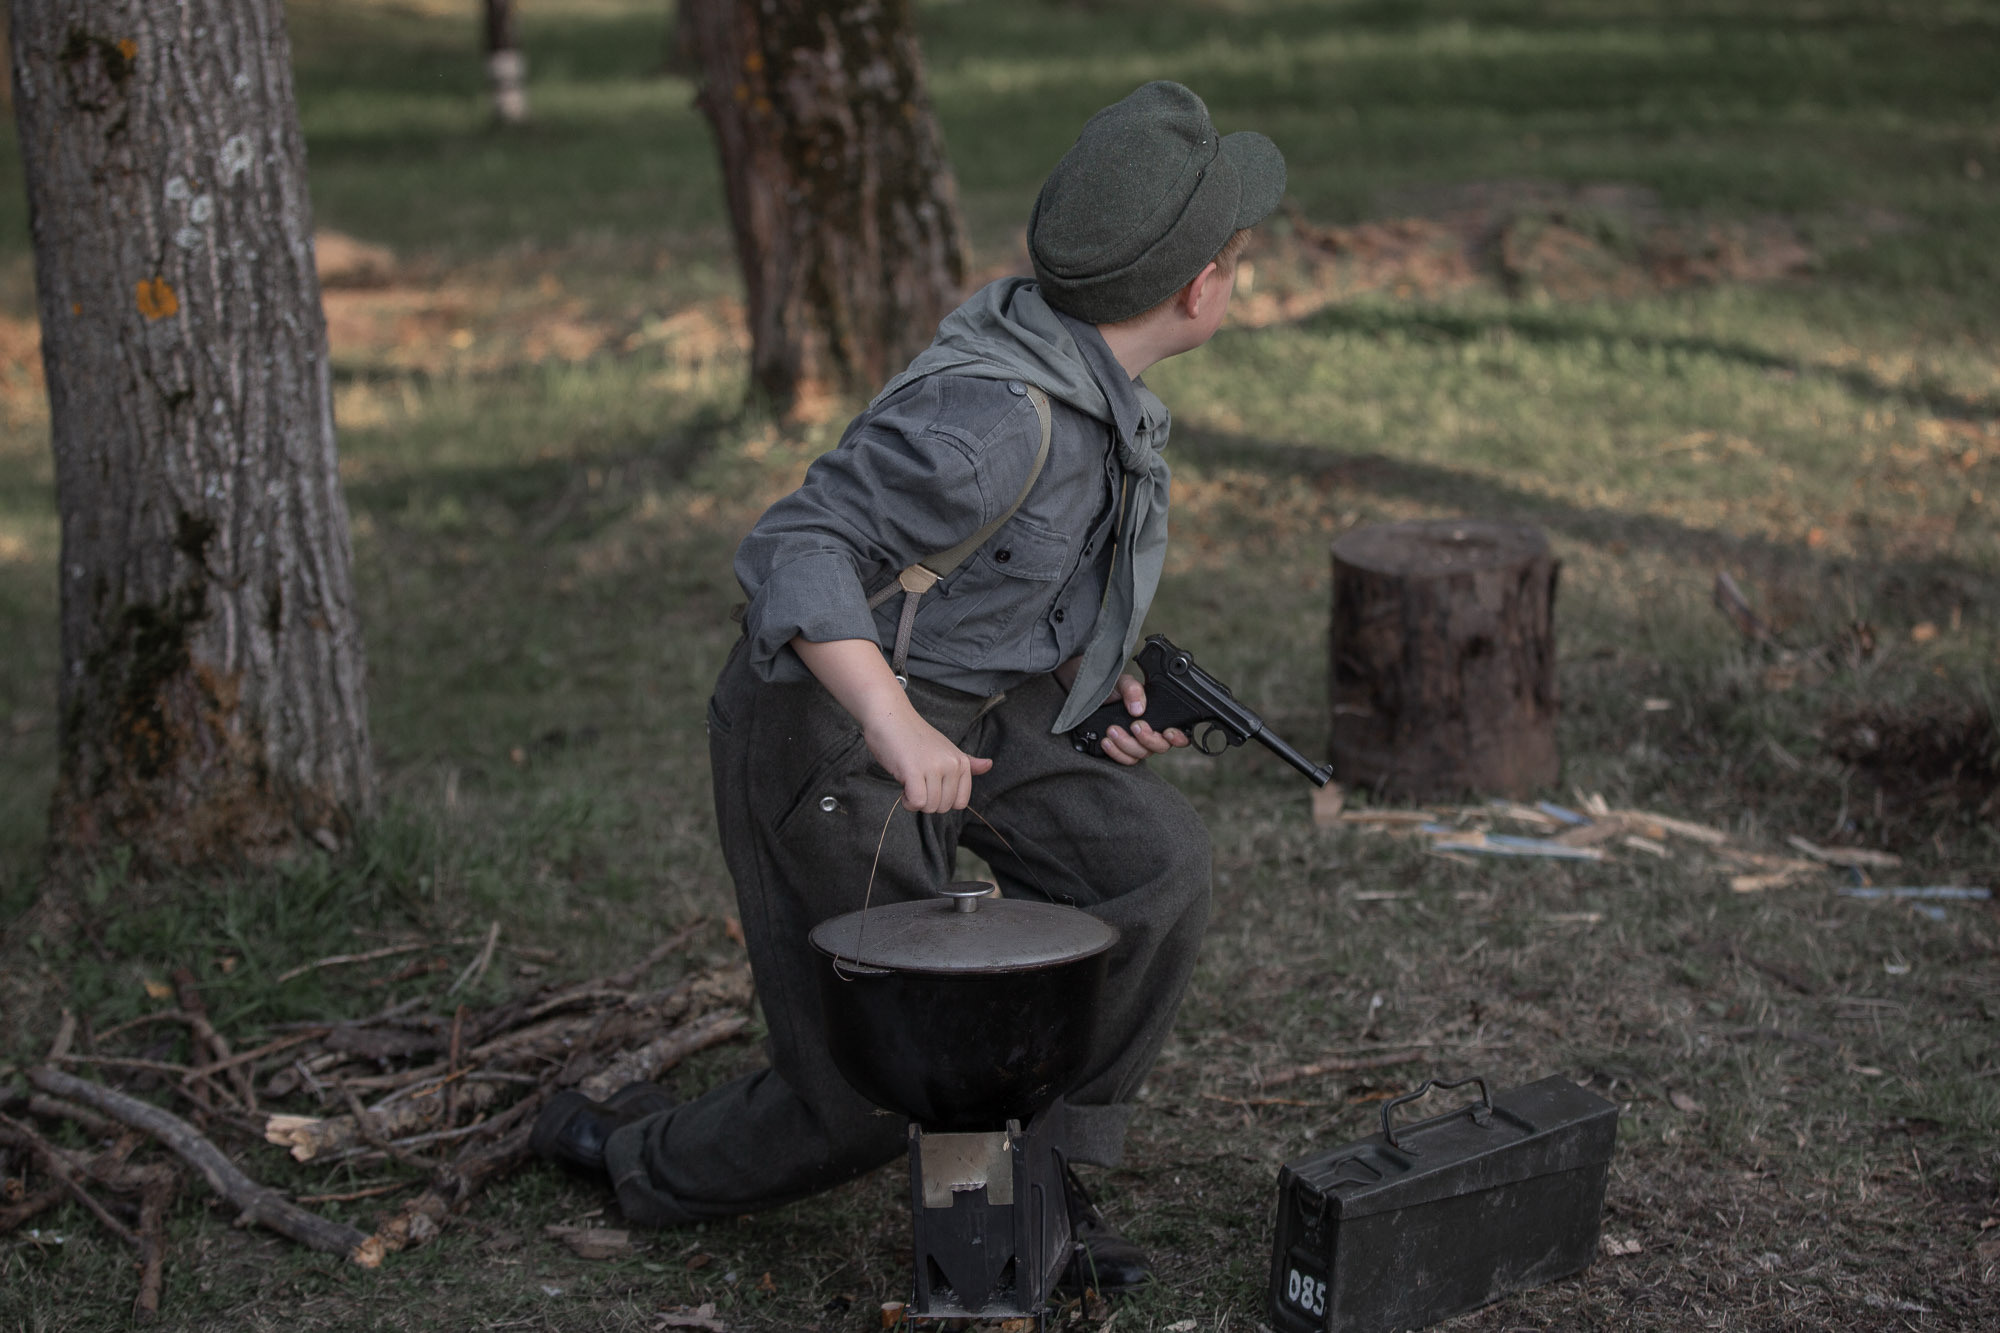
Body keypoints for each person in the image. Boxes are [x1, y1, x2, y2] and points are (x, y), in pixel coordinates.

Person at [531, 80, 1285, 1292]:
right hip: (834, 730)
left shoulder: (1088, 389)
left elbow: (1003, 582)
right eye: (1236, 262)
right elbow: (795, 547)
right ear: (1200, 289)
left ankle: (1036, 1169)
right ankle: (630, 1155)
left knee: (1148, 865)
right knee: (874, 1086)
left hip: (973, 709)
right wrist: (888, 720)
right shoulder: (993, 421)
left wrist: (1091, 683)